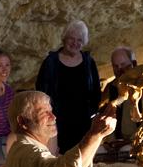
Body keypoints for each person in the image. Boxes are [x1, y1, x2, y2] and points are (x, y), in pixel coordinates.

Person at [35, 20, 101, 154]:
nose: (75, 43)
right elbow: (41, 91)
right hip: (56, 121)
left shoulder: (89, 62)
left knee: (82, 157)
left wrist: (91, 113)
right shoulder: (51, 62)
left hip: (83, 123)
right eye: (71, 38)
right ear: (64, 38)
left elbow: (96, 91)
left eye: (79, 40)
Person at [97, 47, 138, 160]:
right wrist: (109, 142)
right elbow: (102, 114)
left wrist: (133, 140)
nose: (120, 69)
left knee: (126, 152)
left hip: (136, 142)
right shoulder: (110, 89)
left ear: (133, 63)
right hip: (114, 143)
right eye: (116, 66)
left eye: (124, 64)